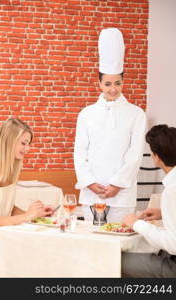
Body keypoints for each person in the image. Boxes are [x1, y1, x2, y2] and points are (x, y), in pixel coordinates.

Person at [74, 28, 146, 222]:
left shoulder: (137, 114)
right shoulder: (86, 114)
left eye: (117, 83)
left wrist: (117, 185)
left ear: (123, 82)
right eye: (107, 84)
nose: (113, 89)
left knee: (119, 242)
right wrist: (89, 182)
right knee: (92, 242)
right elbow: (80, 153)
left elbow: (135, 155)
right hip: (91, 193)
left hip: (122, 195)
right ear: (99, 84)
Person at [0, 118, 53, 261]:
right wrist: (26, 217)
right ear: (9, 141)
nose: (28, 149)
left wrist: (35, 214)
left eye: (28, 144)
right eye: (23, 143)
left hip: (2, 235)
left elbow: (4, 207)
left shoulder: (12, 167)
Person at [122, 124, 176, 278]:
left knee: (115, 259)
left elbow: (173, 244)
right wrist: (163, 213)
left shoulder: (172, 190)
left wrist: (136, 224)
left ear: (156, 157)